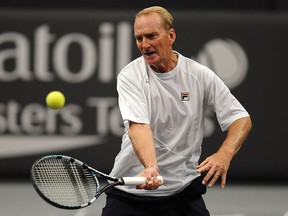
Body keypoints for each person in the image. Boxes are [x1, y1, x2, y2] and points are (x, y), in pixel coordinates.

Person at [101, 6, 252, 216]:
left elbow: (240, 118)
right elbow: (139, 127)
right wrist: (151, 167)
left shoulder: (199, 75)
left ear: (170, 35)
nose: (145, 45)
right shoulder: (130, 76)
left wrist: (224, 154)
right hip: (131, 193)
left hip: (181, 192)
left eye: (151, 36)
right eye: (139, 38)